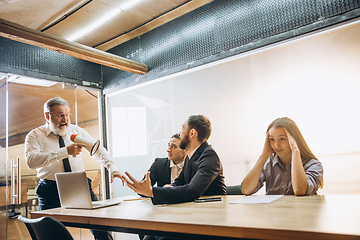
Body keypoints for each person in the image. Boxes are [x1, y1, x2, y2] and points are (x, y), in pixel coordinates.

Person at [24, 97, 123, 240]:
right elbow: (31, 161)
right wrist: (65, 151)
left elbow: (98, 150)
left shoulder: (76, 131)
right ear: (47, 115)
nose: (65, 119)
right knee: (48, 233)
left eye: (67, 114)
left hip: (79, 187)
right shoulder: (35, 135)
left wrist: (112, 168)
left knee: (101, 229)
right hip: (50, 190)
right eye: (60, 115)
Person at [122, 115, 226, 205]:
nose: (179, 133)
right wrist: (166, 187)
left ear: (192, 133)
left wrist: (152, 192)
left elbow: (193, 190)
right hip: (197, 209)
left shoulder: (209, 155)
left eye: (182, 128)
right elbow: (179, 183)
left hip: (213, 212)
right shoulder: (191, 156)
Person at [241, 117, 323, 196]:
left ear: (294, 140)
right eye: (272, 139)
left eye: (282, 139)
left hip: (301, 210)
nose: (276, 145)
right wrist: (263, 155)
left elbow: (300, 190)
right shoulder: (268, 163)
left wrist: (295, 150)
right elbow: (246, 189)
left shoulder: (314, 165)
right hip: (275, 210)